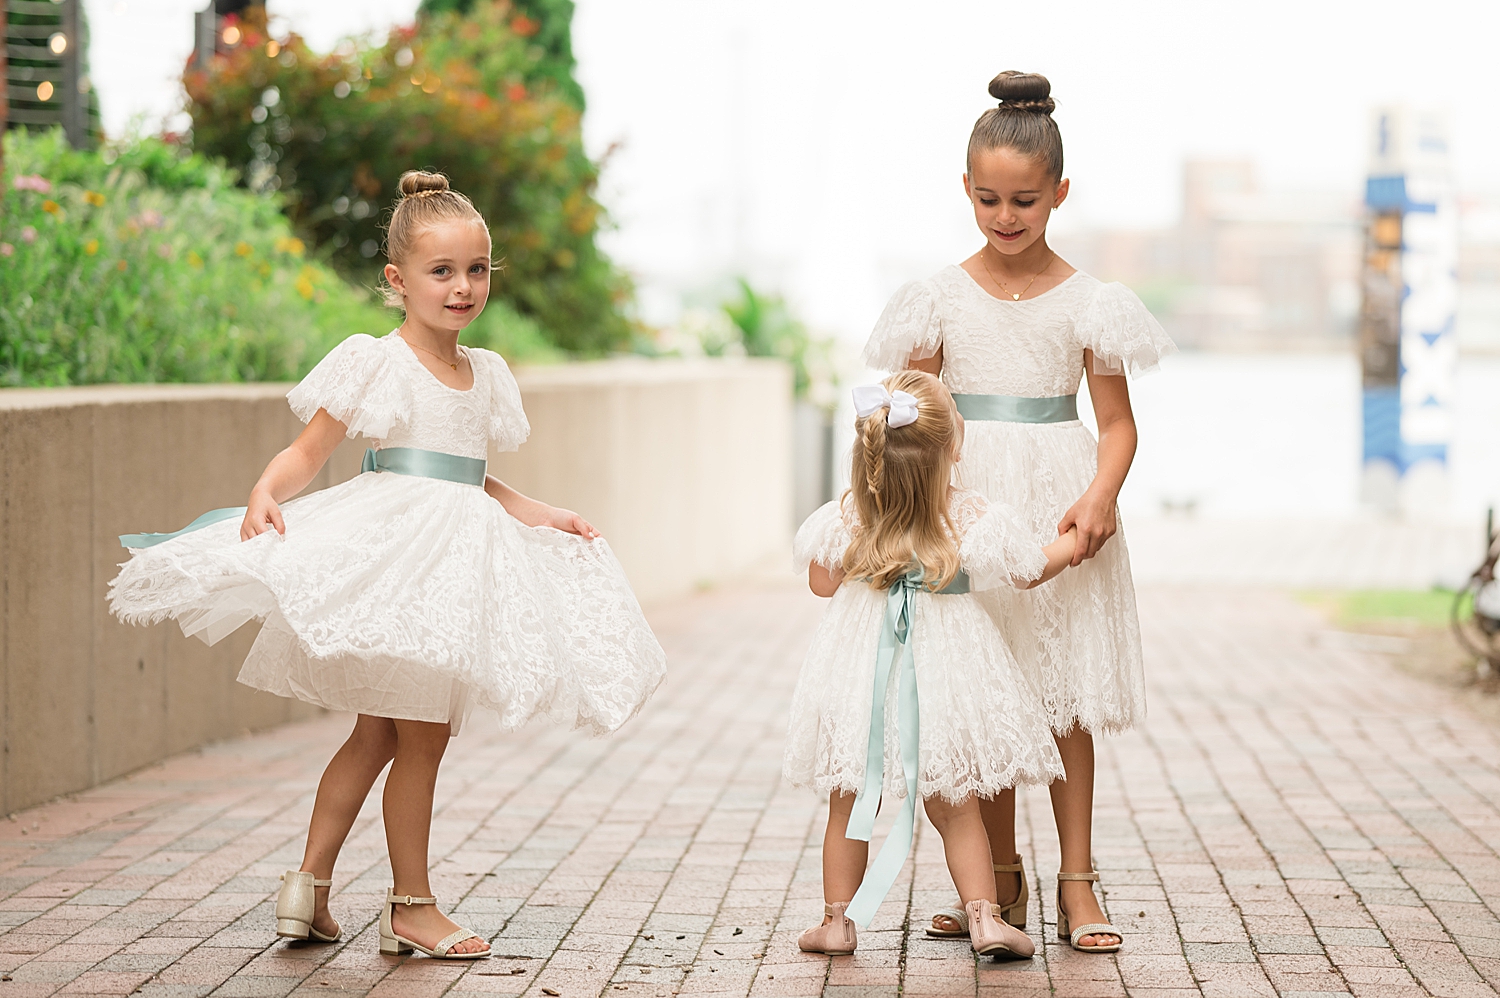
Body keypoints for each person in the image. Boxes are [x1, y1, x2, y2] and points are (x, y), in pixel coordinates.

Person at [109, 171, 666, 960]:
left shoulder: (487, 373)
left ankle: (308, 889)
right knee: (423, 739)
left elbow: (470, 475)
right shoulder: (377, 361)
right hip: (402, 565)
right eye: (442, 272)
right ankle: (412, 907)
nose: (463, 287)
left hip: (452, 563)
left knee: (378, 734)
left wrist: (543, 513)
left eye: (477, 269)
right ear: (397, 280)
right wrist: (267, 488)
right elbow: (310, 451)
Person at [862, 71, 1175, 954]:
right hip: (973, 508)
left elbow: (1116, 425)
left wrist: (1100, 494)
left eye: (1026, 201)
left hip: (1061, 506)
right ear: (966, 190)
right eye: (990, 199)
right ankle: (996, 882)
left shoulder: (1091, 302)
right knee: (986, 693)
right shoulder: (935, 298)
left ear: (1060, 194)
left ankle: (1078, 879)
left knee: (1064, 699)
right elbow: (911, 416)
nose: (1006, 216)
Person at [783, 370, 1078, 959]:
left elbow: (820, 582)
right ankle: (985, 917)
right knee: (957, 800)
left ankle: (837, 921)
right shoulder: (971, 517)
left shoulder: (847, 516)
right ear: (954, 447)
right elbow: (1026, 571)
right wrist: (1073, 541)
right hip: (948, 670)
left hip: (861, 668)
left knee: (852, 795)